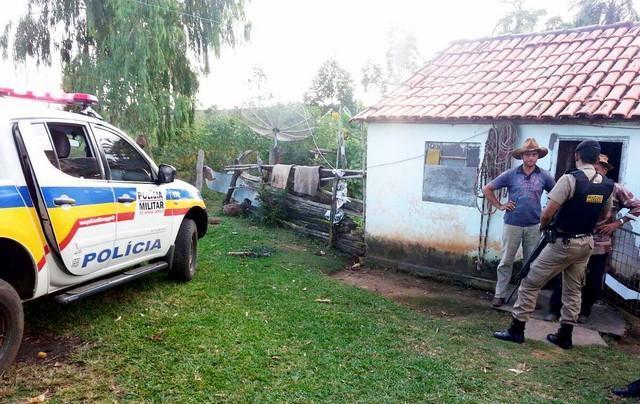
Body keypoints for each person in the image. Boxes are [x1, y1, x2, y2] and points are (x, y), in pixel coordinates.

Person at [493, 140, 614, 349]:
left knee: (530, 282)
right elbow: (605, 214)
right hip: (586, 242)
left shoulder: (569, 179)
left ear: (577, 156)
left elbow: (548, 213)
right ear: (596, 159)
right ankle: (565, 335)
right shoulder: (607, 184)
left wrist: (545, 226)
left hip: (563, 241)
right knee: (574, 288)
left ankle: (516, 329)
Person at [545, 154, 640, 323]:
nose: (598, 169)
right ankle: (555, 309)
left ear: (606, 169)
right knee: (565, 276)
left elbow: (637, 206)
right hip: (574, 239)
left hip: (600, 244)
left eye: (602, 166)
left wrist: (617, 223)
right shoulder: (579, 183)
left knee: (593, 280)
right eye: (596, 165)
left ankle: (584, 311)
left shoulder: (614, 188)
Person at [482, 138, 555, 307]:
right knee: (506, 260)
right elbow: (487, 188)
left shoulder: (544, 176)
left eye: (534, 154)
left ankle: (527, 298)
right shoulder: (511, 174)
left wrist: (548, 213)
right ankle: (499, 295)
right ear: (522, 156)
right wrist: (500, 205)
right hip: (512, 224)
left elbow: (557, 194)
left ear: (538, 156)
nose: (531, 158)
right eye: (528, 154)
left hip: (534, 225)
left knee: (531, 263)